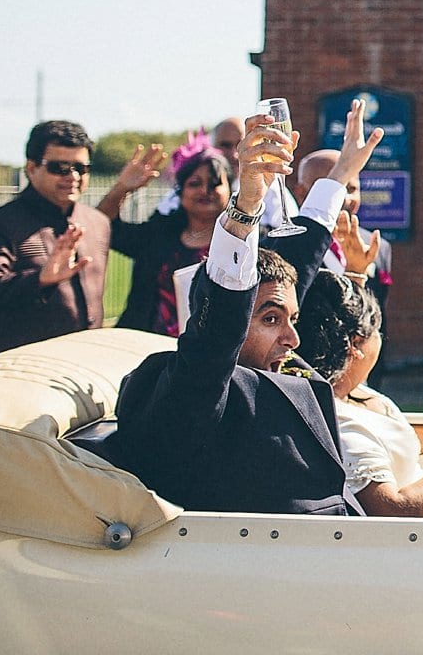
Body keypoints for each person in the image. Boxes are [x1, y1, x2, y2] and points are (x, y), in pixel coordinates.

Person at [111, 104, 383, 514]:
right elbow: (221, 318)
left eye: (290, 319)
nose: (293, 339)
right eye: (271, 320)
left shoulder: (279, 371)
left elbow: (299, 259)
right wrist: (248, 201)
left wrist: (341, 174)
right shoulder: (194, 388)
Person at [299, 270, 423, 516]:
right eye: (377, 332)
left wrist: (356, 274)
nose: (381, 339)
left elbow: (340, 315)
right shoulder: (338, 421)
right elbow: (395, 511)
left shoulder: (355, 391)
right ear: (355, 344)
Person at [0, 120, 114, 353]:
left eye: (81, 168)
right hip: (27, 370)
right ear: (31, 168)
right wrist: (41, 280)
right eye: (60, 167)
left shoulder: (98, 222)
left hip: (86, 362)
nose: (72, 176)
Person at [99, 143, 232, 335]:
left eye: (214, 183)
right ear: (180, 191)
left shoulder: (244, 240)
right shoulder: (159, 233)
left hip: (211, 353)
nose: (205, 190)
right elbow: (104, 227)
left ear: (230, 188)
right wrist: (122, 189)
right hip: (147, 347)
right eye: (195, 183)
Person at [297, 147, 393, 387]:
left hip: (362, 377)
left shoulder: (377, 247)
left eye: (351, 188)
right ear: (301, 193)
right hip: (308, 376)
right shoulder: (289, 244)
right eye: (334, 187)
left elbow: (379, 317)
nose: (344, 198)